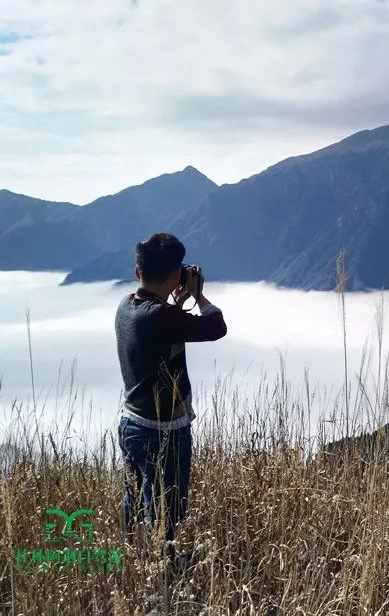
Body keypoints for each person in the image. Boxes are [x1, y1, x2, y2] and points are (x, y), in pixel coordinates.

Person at [115, 232, 227, 571]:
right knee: (168, 503)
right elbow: (216, 326)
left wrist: (176, 303)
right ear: (176, 273)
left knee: (136, 496)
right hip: (164, 430)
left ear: (138, 273)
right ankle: (165, 569)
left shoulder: (127, 306)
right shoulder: (162, 318)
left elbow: (158, 333)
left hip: (132, 423)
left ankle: (133, 558)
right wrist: (199, 295)